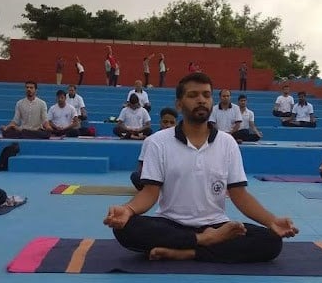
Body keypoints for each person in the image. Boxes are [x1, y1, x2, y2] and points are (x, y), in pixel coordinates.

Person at [104, 72, 299, 263]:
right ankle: (203, 242)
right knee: (125, 228)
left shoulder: (227, 143)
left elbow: (240, 195)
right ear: (179, 105)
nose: (201, 100)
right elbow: (150, 193)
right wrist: (128, 210)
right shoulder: (158, 142)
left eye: (206, 95)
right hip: (171, 224)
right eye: (193, 95)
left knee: (272, 242)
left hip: (216, 225)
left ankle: (187, 252)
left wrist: (272, 221)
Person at [130, 107, 178, 190]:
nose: (168, 125)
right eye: (165, 122)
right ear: (160, 122)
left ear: (176, 124)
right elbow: (142, 163)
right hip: (155, 177)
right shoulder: (150, 140)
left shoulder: (181, 141)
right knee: (136, 176)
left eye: (172, 122)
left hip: (173, 176)